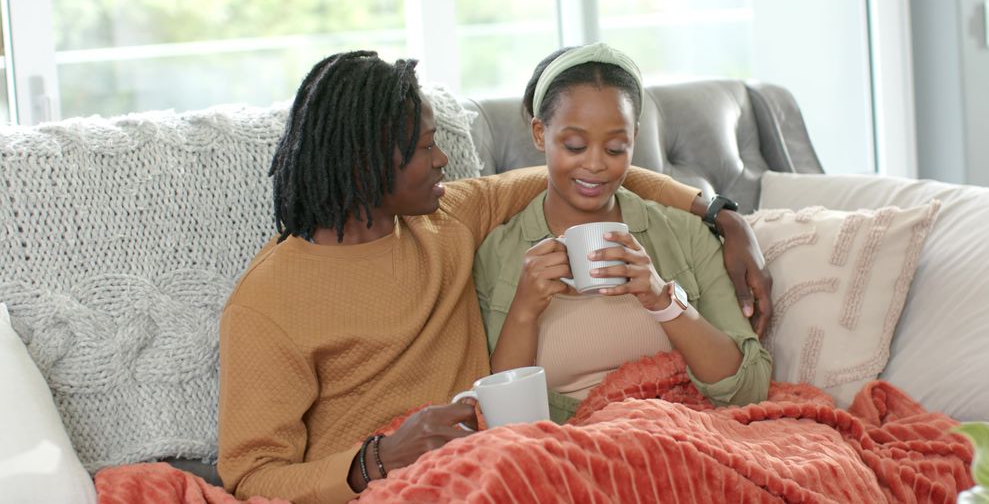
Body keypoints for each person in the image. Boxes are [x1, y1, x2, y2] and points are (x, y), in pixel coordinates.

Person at [216, 50, 772, 503]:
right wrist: (377, 458)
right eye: (423, 148)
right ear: (365, 164)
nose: (443, 162)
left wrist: (722, 215)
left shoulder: (447, 215)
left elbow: (592, 171)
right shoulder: (269, 300)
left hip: (494, 464)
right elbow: (252, 475)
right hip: (378, 484)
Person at [474, 43, 772, 423]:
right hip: (562, 452)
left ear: (634, 137)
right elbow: (501, 420)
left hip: (679, 435)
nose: (596, 164)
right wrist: (524, 309)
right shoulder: (498, 253)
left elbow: (749, 387)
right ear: (539, 133)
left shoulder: (685, 234)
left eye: (616, 148)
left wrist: (661, 298)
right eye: (575, 145)